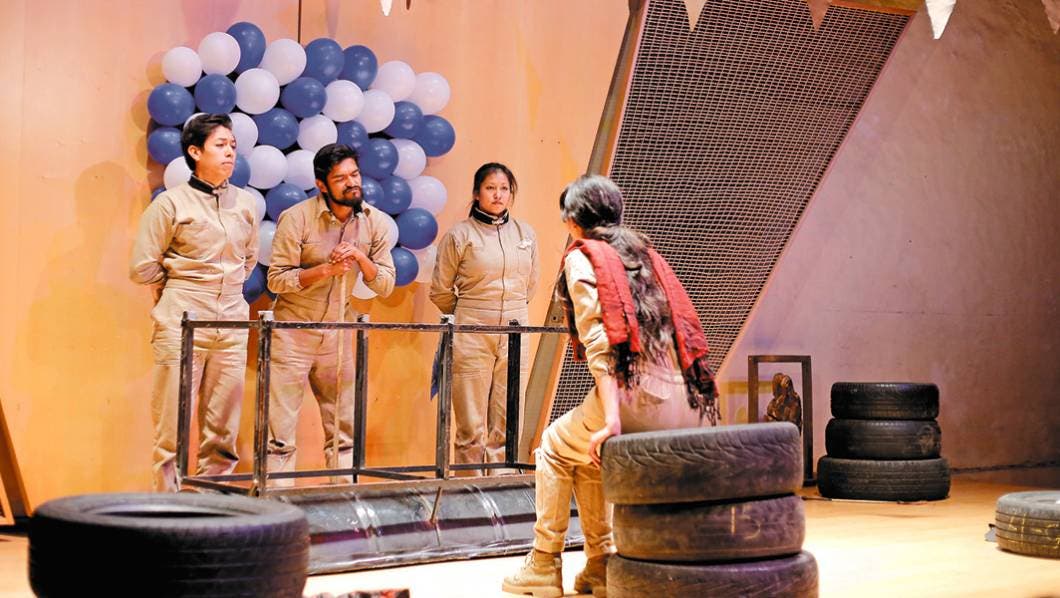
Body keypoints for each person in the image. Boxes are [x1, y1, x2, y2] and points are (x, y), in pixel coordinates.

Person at [502, 175, 719, 597]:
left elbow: (600, 343)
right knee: (583, 452)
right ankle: (600, 563)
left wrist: (613, 420)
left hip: (639, 396)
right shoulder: (645, 253)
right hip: (685, 396)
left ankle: (544, 563)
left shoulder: (584, 257)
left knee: (552, 446)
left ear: (573, 221)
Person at [130, 113, 260, 492]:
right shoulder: (171, 204)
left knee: (223, 430)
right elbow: (142, 267)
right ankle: (168, 510)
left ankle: (210, 504)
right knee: (172, 428)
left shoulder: (246, 204)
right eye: (220, 145)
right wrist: (181, 286)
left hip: (232, 322)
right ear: (195, 152)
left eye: (232, 145)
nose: (230, 152)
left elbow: (249, 259)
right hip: (182, 319)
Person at [265, 143, 396, 483]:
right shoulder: (297, 217)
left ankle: (344, 501)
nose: (352, 183)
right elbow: (276, 280)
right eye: (341, 179)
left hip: (338, 333)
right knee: (279, 434)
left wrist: (360, 258)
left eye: (355, 174)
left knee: (343, 429)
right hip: (292, 333)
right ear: (322, 185)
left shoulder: (375, 222)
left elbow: (385, 284)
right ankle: (277, 503)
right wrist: (325, 270)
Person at [430, 163, 539, 475]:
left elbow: (530, 285)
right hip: (471, 333)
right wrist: (470, 315)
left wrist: (509, 312)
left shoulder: (526, 233)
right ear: (477, 193)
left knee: (508, 419)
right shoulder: (460, 235)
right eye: (491, 188)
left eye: (504, 188)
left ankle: (502, 487)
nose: (498, 195)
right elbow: (440, 291)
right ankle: (468, 489)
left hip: (515, 333)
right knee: (471, 424)